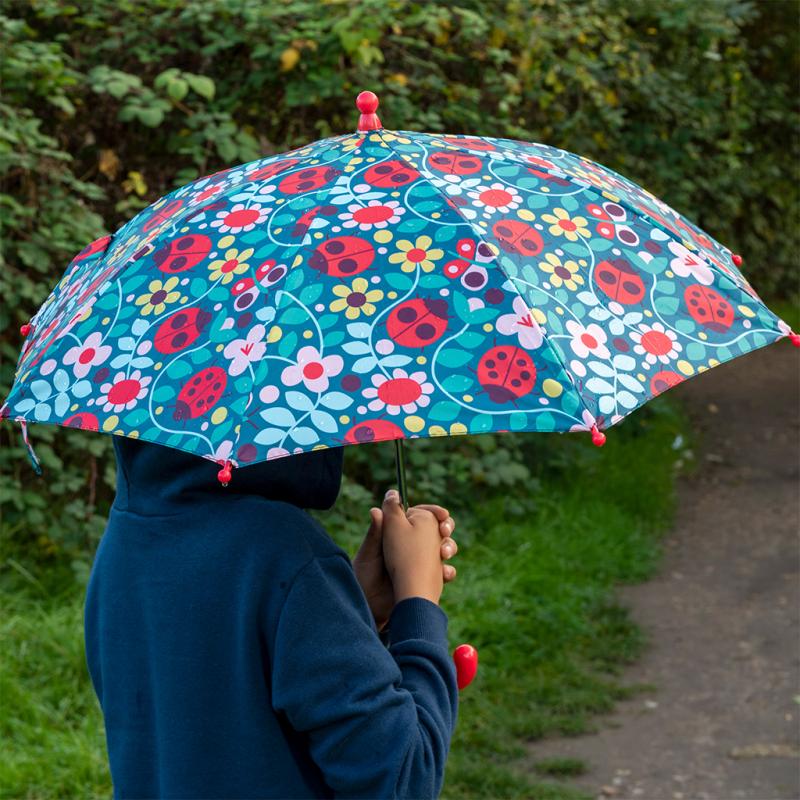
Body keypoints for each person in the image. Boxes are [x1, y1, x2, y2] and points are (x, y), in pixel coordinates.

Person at [84, 435, 461, 799]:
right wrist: (418, 604)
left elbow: (217, 694)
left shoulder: (126, 534)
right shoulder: (285, 553)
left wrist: (350, 612)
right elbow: (403, 778)